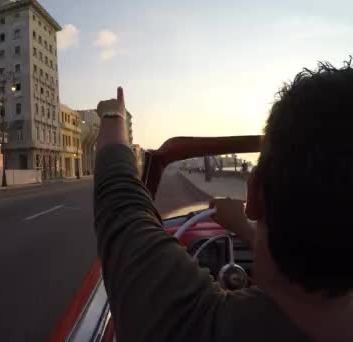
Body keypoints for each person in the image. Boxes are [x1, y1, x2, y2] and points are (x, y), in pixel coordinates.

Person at [94, 62, 352, 342]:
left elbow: (122, 206)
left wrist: (113, 115)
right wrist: (247, 231)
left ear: (253, 194)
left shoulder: (195, 324)